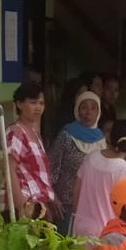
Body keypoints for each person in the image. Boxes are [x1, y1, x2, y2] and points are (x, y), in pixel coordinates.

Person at [49, 90, 106, 231]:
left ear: (98, 112)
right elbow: (51, 166)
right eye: (84, 107)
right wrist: (53, 197)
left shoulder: (102, 140)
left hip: (92, 204)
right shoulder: (66, 134)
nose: (88, 112)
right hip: (65, 204)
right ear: (77, 110)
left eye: (93, 108)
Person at [72, 120, 126, 239]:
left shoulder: (91, 157)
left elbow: (76, 191)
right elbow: (125, 207)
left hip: (82, 227)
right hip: (108, 232)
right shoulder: (125, 169)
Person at [3, 81, 57, 221]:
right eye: (33, 102)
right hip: (25, 207)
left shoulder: (35, 134)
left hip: (39, 206)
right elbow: (9, 169)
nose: (38, 107)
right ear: (19, 104)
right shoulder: (15, 132)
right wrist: (21, 206)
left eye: (41, 103)